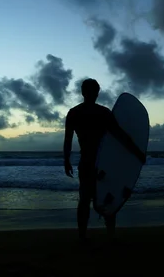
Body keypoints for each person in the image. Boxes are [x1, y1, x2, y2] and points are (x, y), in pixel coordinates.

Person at [63, 78, 146, 242]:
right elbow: (120, 136)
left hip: (87, 162)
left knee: (86, 199)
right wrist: (137, 152)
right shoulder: (103, 113)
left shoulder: (74, 112)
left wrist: (66, 160)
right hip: (104, 164)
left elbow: (68, 140)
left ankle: (83, 236)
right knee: (108, 197)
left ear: (82, 92)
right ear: (97, 93)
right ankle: (110, 235)